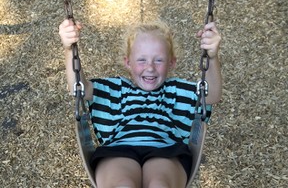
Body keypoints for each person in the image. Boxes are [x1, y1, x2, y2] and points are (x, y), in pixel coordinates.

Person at [59, 19, 222, 188]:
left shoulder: (176, 90)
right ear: (128, 62)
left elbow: (212, 95)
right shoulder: (114, 88)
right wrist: (69, 49)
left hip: (167, 151)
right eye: (141, 60)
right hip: (118, 150)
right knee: (124, 185)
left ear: (171, 63)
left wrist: (212, 56)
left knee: (160, 185)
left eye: (158, 60)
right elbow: (78, 89)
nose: (150, 67)